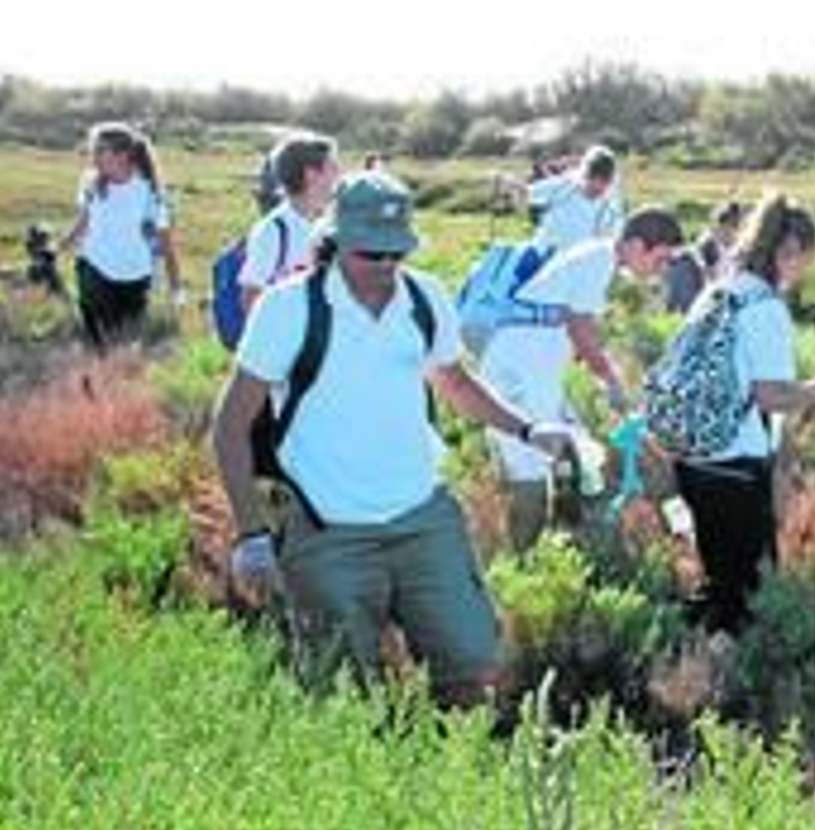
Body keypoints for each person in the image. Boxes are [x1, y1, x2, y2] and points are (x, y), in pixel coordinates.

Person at [211, 171, 567, 707]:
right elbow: (230, 425)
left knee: (475, 670)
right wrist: (251, 535)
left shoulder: (425, 298)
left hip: (424, 520)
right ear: (335, 241)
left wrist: (526, 427)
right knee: (345, 696)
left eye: (394, 254)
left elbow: (455, 382)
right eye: (369, 253)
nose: (383, 267)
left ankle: (456, 779)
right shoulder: (288, 309)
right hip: (327, 530)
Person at [672, 191, 815, 635]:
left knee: (720, 578)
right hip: (734, 460)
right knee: (748, 591)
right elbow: (772, 396)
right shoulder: (765, 305)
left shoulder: (718, 290)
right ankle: (726, 689)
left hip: (692, 454)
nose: (804, 272)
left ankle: (683, 661)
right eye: (806, 260)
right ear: (790, 253)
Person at [481, 207, 684, 550]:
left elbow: (578, 330)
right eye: (660, 259)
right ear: (635, 245)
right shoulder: (598, 260)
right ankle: (523, 558)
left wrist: (602, 372)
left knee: (567, 453)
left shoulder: (597, 258)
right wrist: (612, 384)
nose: (661, 270)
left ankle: (555, 540)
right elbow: (581, 330)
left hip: (529, 366)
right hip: (523, 369)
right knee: (535, 463)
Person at [59, 122, 184, 350]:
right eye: (92, 150)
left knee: (124, 344)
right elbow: (85, 220)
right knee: (97, 343)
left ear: (123, 155)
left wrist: (176, 287)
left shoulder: (150, 192)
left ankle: (113, 380)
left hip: (135, 277)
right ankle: (91, 379)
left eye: (100, 151)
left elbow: (166, 243)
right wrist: (62, 246)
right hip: (93, 269)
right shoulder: (90, 182)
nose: (93, 157)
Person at [238, 133, 341, 316]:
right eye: (332, 168)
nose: (339, 176)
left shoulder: (331, 225)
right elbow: (251, 297)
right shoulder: (273, 231)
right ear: (311, 175)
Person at [522, 145, 624, 255]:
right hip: (543, 255)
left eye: (604, 182)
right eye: (593, 179)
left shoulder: (611, 207)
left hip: (578, 264)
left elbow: (617, 242)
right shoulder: (565, 187)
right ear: (585, 175)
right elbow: (528, 193)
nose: (597, 186)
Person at [663, 199, 745, 314]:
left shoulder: (741, 253)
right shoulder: (695, 256)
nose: (733, 231)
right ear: (718, 227)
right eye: (730, 225)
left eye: (736, 226)